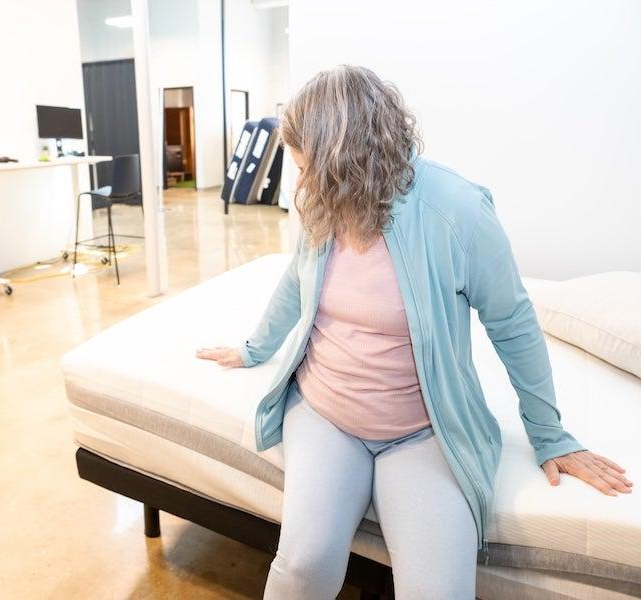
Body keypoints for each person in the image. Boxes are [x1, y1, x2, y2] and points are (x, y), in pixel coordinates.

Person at [196, 64, 632, 599]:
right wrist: (252, 349)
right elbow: (296, 284)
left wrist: (549, 434)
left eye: (308, 168)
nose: (302, 182)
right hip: (326, 415)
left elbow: (513, 325)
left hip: (424, 431)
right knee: (304, 567)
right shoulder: (323, 206)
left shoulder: (458, 210)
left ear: (344, 160)